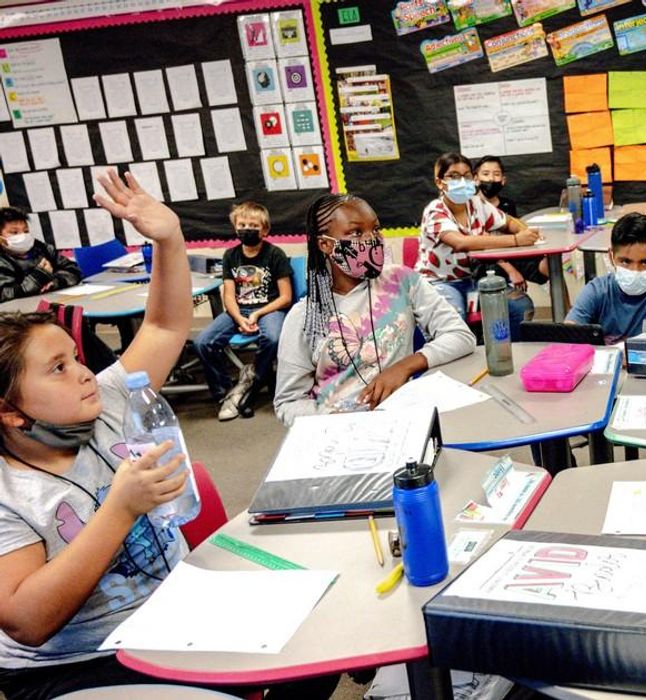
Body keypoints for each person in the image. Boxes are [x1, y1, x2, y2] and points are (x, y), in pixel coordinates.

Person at [0, 172, 335, 700]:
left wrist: (169, 237)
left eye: (76, 357)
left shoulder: (107, 399)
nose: (85, 373)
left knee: (326, 636)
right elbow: (27, 620)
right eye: (59, 369)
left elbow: (162, 326)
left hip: (175, 614)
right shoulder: (8, 490)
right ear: (10, 413)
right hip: (83, 661)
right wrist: (121, 508)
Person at [274, 193, 476, 426]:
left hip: (403, 417)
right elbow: (288, 402)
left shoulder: (402, 281)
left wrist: (405, 366)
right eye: (356, 232)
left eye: (376, 229)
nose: (371, 239)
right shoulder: (305, 316)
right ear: (325, 244)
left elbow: (460, 335)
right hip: (339, 430)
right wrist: (334, 420)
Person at [417, 153, 538, 341]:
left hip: (476, 280)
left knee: (520, 306)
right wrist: (516, 240)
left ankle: (507, 351)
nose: (461, 181)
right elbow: (461, 242)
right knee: (453, 323)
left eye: (466, 176)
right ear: (440, 182)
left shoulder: (476, 203)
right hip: (441, 283)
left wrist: (527, 231)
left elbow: (507, 221)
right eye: (454, 176)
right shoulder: (435, 210)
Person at [191, 202, 292, 422]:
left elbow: (285, 297)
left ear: (265, 230)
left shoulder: (275, 254)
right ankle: (227, 392)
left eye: (253, 226)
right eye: (242, 225)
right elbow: (229, 296)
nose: (247, 229)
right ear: (235, 227)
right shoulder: (230, 255)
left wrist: (256, 314)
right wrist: (239, 318)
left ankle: (255, 379)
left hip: (268, 308)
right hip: (239, 310)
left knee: (273, 339)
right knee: (202, 342)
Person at [565, 213, 646, 340]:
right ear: (611, 257)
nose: (635, 270)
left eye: (645, 262)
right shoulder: (596, 291)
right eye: (625, 261)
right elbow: (568, 336)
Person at [473, 155, 550, 291]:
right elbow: (483, 244)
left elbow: (517, 227)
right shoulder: (472, 206)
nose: (491, 179)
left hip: (511, 253)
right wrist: (511, 271)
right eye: (485, 174)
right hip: (489, 260)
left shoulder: (507, 204)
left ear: (503, 180)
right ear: (475, 179)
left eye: (496, 174)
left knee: (547, 268)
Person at [0, 207, 81, 302]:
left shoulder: (43, 249)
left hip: (57, 300)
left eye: (26, 231)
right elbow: (4, 294)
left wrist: (56, 281)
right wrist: (38, 277)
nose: (23, 236)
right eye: (14, 232)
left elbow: (74, 269)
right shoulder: (3, 261)